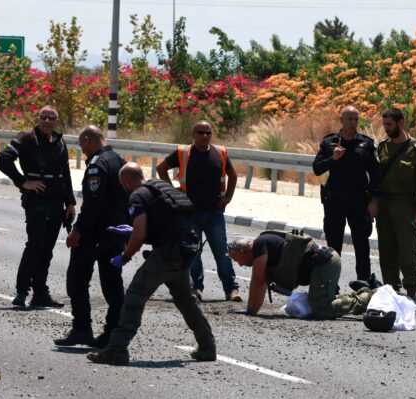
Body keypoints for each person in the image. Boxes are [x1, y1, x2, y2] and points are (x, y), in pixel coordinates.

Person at [87, 163, 216, 366]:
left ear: (127, 182)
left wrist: (126, 256)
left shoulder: (137, 195)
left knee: (134, 296)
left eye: (123, 185)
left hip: (165, 254)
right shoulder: (162, 187)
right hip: (185, 252)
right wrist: (132, 230)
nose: (123, 188)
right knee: (186, 301)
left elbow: (140, 233)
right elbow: (164, 221)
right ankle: (207, 347)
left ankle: (117, 350)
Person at [54, 126, 128, 349]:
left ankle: (82, 329)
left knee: (76, 280)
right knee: (113, 284)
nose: (82, 151)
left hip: (94, 233)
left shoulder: (97, 165)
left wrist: (78, 230)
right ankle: (113, 332)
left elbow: (93, 203)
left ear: (87, 140)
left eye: (81, 146)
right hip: (116, 233)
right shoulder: (120, 161)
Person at [0, 106, 76, 307]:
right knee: (35, 246)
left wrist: (70, 202)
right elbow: (2, 159)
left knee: (47, 249)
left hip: (57, 203)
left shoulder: (59, 141)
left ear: (57, 121)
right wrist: (23, 182)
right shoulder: (27, 138)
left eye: (51, 118)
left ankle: (40, 293)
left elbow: (65, 173)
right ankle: (22, 292)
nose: (47, 121)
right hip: (37, 202)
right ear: (38, 119)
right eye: (43, 117)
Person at [156, 120, 241, 302]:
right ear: (193, 134)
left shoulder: (220, 153)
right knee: (193, 253)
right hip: (189, 212)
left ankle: (231, 289)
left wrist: (228, 198)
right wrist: (172, 191)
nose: (204, 136)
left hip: (214, 213)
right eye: (200, 132)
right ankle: (197, 287)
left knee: (222, 252)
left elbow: (233, 175)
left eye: (208, 133)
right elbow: (161, 168)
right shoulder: (183, 153)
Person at [227, 232, 373, 319]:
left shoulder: (259, 245)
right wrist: (252, 311)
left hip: (324, 263)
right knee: (319, 303)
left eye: (237, 260)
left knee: (321, 309)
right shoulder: (262, 246)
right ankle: (360, 294)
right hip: (320, 266)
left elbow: (257, 281)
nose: (240, 265)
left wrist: (250, 311)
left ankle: (368, 296)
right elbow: (262, 284)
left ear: (242, 252)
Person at [313, 106, 381, 285]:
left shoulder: (366, 143)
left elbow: (376, 175)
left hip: (359, 201)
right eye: (349, 119)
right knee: (333, 247)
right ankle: (330, 287)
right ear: (341, 120)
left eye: (356, 119)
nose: (353, 123)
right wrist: (333, 158)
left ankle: (363, 286)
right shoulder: (330, 143)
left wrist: (374, 200)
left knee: (362, 245)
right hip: (335, 201)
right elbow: (316, 168)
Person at [376, 108, 416, 302]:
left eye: (389, 124)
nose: (386, 128)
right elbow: (375, 179)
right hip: (384, 207)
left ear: (401, 123)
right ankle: (392, 295)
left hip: (406, 207)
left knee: (407, 252)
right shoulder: (382, 147)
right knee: (386, 253)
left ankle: (411, 296)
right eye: (384, 124)